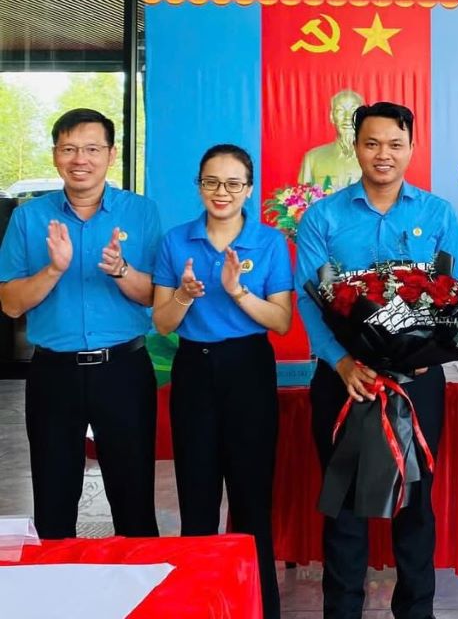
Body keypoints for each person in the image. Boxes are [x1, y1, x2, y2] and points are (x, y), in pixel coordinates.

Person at [295, 101, 458, 619]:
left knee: (416, 504)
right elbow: (310, 298)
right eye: (372, 143)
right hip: (344, 382)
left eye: (395, 144)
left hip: (415, 382)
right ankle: (342, 610)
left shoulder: (437, 214)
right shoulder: (323, 216)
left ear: (411, 147)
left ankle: (416, 610)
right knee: (344, 506)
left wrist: (422, 353)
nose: (383, 154)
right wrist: (343, 362)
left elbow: (452, 292)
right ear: (356, 146)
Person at [0, 108, 162, 539]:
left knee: (134, 504)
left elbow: (154, 297)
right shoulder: (29, 219)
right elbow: (12, 305)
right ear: (55, 155)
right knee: (54, 505)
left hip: (123, 371)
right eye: (69, 149)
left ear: (110, 155)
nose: (80, 159)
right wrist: (53, 270)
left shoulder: (141, 213)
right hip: (54, 373)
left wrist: (122, 269)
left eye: (92, 149)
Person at [151, 143, 292, 619]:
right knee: (197, 498)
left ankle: (258, 607)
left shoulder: (269, 243)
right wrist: (187, 296)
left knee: (252, 499)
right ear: (199, 186)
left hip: (248, 369)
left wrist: (237, 292)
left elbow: (281, 321)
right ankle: (199, 606)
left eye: (233, 183)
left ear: (249, 189)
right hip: (194, 370)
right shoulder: (175, 242)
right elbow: (163, 323)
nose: (222, 192)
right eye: (212, 182)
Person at [298, 89, 366, 189]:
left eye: (353, 110)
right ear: (332, 117)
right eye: (340, 111)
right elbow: (303, 199)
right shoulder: (312, 159)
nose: (348, 117)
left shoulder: (375, 158)